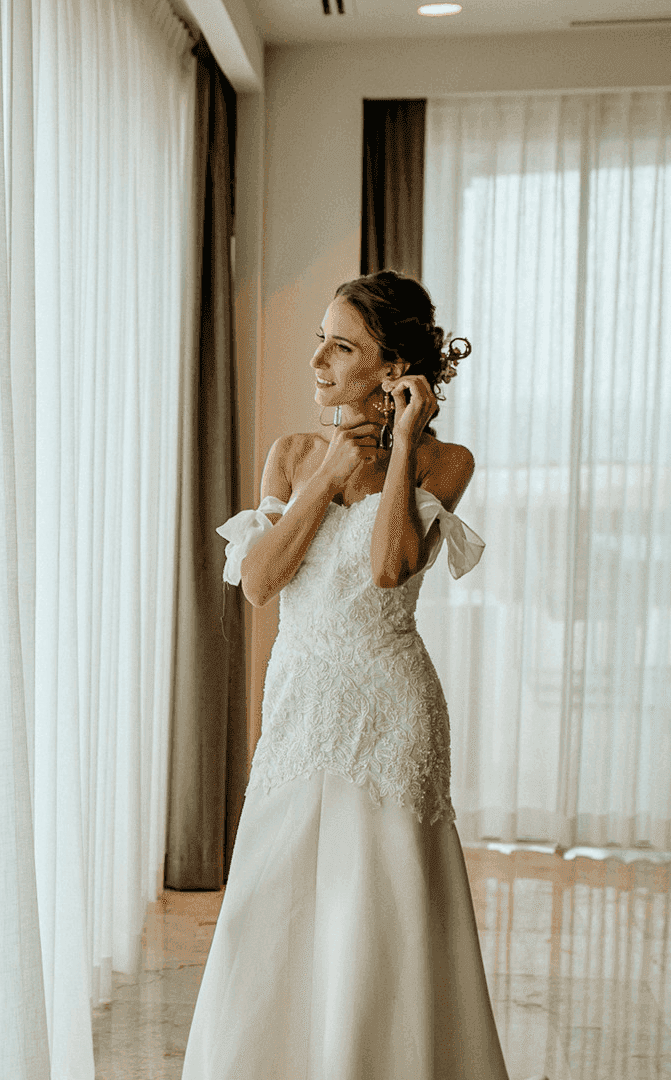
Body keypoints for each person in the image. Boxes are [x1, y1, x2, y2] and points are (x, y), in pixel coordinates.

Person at [179, 271, 512, 1078]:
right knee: (275, 895)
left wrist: (400, 449)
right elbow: (259, 584)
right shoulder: (292, 454)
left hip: (392, 709)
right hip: (300, 703)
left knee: (382, 908)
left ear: (393, 367)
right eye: (320, 340)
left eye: (343, 345)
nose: (319, 360)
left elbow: (390, 566)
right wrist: (325, 479)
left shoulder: (446, 461)